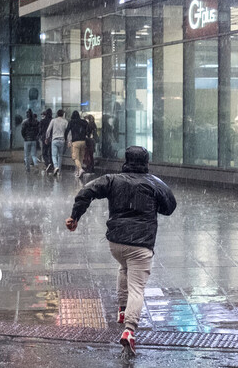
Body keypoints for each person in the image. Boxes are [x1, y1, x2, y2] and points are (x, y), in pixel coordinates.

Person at [65, 146, 177, 355]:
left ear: (125, 160)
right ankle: (130, 330)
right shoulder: (153, 182)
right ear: (146, 162)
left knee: (124, 267)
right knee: (137, 288)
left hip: (116, 243)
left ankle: (122, 310)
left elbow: (85, 192)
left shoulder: (112, 179)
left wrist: (75, 216)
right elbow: (169, 207)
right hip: (141, 244)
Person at [65, 111, 89, 178]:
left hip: (75, 142)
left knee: (75, 158)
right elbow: (88, 130)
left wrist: (66, 140)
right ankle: (78, 172)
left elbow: (67, 131)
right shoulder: (84, 122)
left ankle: (80, 170)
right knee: (81, 158)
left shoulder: (71, 122)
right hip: (83, 141)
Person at [46, 109, 68, 176]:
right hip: (62, 140)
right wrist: (68, 140)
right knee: (60, 155)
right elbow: (68, 131)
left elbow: (48, 130)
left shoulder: (53, 120)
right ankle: (59, 170)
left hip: (55, 140)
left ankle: (56, 167)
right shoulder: (65, 121)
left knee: (53, 155)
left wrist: (47, 137)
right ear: (63, 114)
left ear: (57, 114)